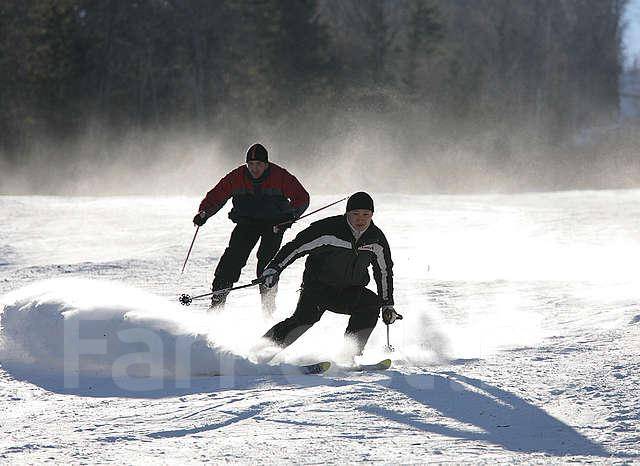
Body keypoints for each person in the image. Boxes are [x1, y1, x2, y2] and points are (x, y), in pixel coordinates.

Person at [259, 191, 400, 357]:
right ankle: (261, 351)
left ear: (372, 215)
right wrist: (275, 268)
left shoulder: (376, 239)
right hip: (318, 288)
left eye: (365, 214)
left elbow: (384, 272)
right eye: (355, 214)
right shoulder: (328, 230)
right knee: (304, 320)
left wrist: (387, 304)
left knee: (370, 304)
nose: (360, 219)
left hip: (349, 291)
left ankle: (349, 354)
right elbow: (295, 247)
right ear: (347, 213)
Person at [193, 143, 309, 312]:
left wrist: (290, 217)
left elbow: (302, 197)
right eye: (251, 165)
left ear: (266, 164)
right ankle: (217, 302)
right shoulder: (237, 176)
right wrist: (204, 213)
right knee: (232, 259)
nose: (254, 169)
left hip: (274, 225)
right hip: (246, 223)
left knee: (267, 263)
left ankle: (268, 305)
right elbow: (217, 195)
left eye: (259, 165)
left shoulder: (280, 176)